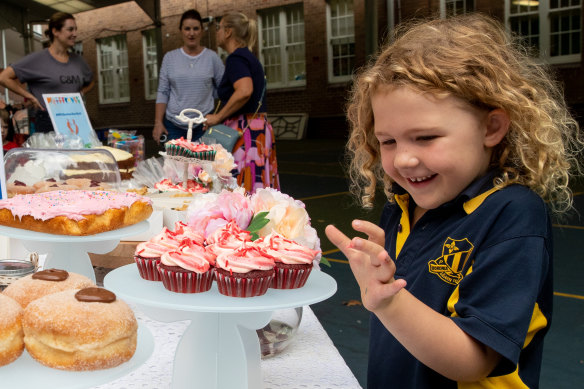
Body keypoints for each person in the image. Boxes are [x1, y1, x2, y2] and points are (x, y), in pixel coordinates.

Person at [324, 14, 583, 389]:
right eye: (388, 141)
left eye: (425, 137)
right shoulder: (402, 205)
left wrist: (387, 301)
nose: (403, 160)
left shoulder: (512, 214)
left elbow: (472, 360)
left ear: (491, 128)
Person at [205, 12, 279, 192]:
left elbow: (245, 90)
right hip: (257, 130)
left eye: (219, 28)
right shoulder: (248, 57)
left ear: (228, 32)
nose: (217, 33)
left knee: (243, 187)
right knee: (257, 186)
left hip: (245, 132)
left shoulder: (236, 59)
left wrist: (218, 117)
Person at [0, 12, 94, 134]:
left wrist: (80, 94)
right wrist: (30, 97)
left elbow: (91, 81)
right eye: (70, 29)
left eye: (76, 29)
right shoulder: (37, 59)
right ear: (55, 31)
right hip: (47, 120)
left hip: (75, 117)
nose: (75, 34)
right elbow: (3, 77)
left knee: (80, 153)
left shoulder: (78, 61)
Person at [153, 9, 224, 144]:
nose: (191, 33)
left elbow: (223, 90)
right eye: (187, 29)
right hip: (173, 126)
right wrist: (158, 122)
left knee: (201, 165)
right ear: (181, 31)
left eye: (196, 28)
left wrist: (217, 117)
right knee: (174, 165)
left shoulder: (212, 57)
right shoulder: (169, 58)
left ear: (202, 31)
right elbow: (163, 92)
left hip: (203, 126)